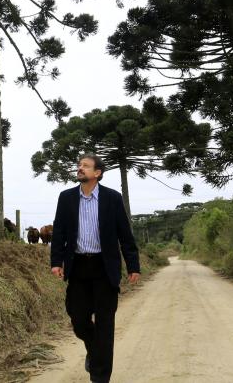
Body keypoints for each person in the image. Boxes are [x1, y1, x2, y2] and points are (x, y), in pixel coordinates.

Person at [50, 153, 140, 383]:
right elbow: (59, 232)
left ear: (97, 173)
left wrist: (133, 266)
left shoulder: (112, 198)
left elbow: (125, 235)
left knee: (105, 325)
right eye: (79, 165)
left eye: (86, 166)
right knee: (78, 319)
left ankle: (100, 378)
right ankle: (93, 348)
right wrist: (56, 262)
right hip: (78, 268)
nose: (80, 168)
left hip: (104, 269)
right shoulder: (66, 197)